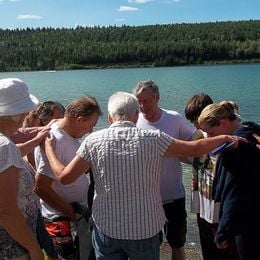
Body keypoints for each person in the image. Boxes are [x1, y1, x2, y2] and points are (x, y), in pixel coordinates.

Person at [43, 91, 243, 260]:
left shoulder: (93, 141)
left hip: (107, 228)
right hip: (145, 228)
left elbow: (64, 177)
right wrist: (227, 137)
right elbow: (194, 148)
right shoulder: (154, 139)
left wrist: (50, 149)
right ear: (136, 116)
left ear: (111, 118)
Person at [132, 80, 194, 260]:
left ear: (157, 98)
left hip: (173, 196)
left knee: (177, 244)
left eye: (147, 101)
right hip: (145, 198)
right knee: (149, 246)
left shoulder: (174, 118)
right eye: (139, 102)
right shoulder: (133, 122)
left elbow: (194, 142)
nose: (143, 106)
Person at [34, 96, 101, 260]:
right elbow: (40, 187)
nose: (91, 131)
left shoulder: (65, 132)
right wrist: (72, 212)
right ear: (79, 120)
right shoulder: (55, 140)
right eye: (91, 125)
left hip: (75, 216)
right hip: (62, 218)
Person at [198, 101, 260, 260]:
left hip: (244, 226)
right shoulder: (254, 133)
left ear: (224, 124)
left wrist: (222, 232)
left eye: (210, 133)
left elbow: (232, 195)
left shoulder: (233, 150)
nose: (208, 139)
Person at [185, 93, 237, 259]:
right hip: (202, 204)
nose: (196, 126)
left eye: (197, 121)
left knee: (224, 251)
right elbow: (193, 159)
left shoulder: (225, 136)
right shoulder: (199, 135)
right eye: (193, 122)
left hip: (218, 207)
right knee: (208, 250)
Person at [0, 78, 45, 260]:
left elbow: (11, 157)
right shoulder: (4, 146)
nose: (28, 114)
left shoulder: (6, 147)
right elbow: (5, 210)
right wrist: (33, 248)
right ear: (18, 113)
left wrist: (38, 137)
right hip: (12, 248)